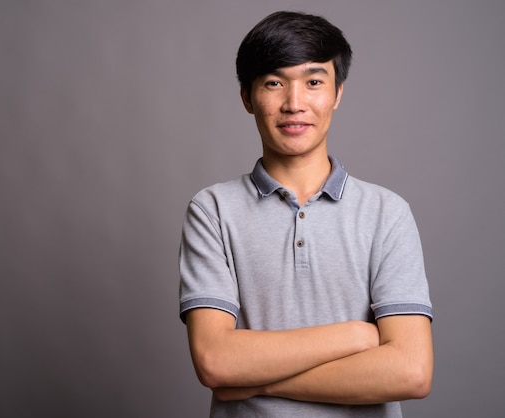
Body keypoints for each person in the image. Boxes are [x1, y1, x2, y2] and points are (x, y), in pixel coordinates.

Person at [178, 10, 433, 417]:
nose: (294, 103)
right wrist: (355, 335)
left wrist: (256, 380)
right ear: (247, 97)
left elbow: (411, 372)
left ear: (337, 93)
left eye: (314, 82)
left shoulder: (387, 213)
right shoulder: (212, 210)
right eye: (274, 83)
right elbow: (216, 361)